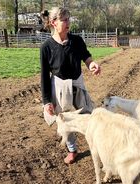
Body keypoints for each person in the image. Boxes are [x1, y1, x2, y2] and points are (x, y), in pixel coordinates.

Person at [40, 7, 101, 164]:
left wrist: (92, 64)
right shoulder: (46, 47)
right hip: (59, 89)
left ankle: (98, 145)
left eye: (69, 19)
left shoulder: (77, 41)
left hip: (77, 84)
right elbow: (45, 76)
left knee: (89, 115)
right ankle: (72, 150)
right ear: (54, 23)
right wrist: (47, 101)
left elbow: (86, 57)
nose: (68, 22)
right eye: (64, 20)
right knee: (65, 120)